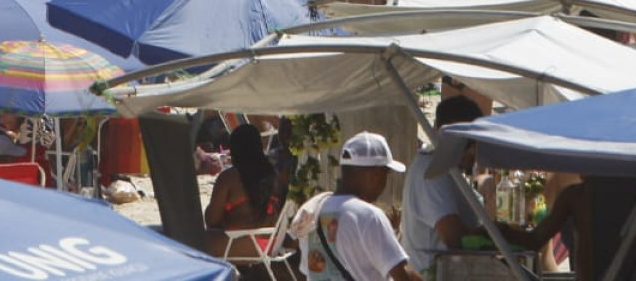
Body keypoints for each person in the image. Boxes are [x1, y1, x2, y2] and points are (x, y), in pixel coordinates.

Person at [293, 133, 421, 281]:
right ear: (374, 174)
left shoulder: (312, 212)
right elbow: (404, 275)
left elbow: (308, 272)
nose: (385, 182)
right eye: (386, 174)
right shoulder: (369, 216)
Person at [402, 96, 484, 273]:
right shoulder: (432, 170)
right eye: (468, 142)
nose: (473, 150)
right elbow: (455, 238)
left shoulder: (451, 170)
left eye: (475, 141)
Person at [205, 122, 286, 253]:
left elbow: (212, 220)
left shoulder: (230, 177)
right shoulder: (274, 175)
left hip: (244, 245)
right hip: (272, 244)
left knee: (195, 238)